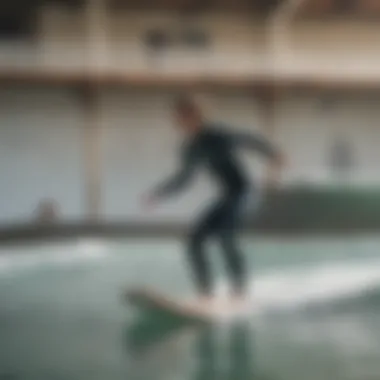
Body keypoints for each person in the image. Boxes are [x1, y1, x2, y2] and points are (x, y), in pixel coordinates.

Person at [142, 95, 284, 306]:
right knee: (194, 240)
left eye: (181, 118)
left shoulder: (217, 135)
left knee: (226, 236)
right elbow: (183, 179)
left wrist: (273, 154)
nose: (178, 123)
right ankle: (205, 293)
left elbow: (249, 140)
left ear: (194, 117)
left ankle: (239, 291)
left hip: (244, 194)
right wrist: (159, 193)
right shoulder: (190, 148)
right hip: (226, 197)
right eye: (176, 119)